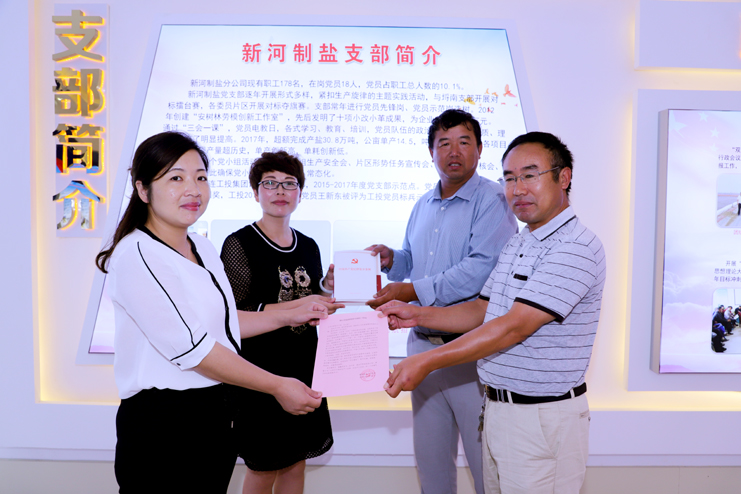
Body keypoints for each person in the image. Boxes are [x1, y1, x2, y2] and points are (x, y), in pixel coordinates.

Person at [96, 132, 328, 494]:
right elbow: (196, 350)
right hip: (165, 423)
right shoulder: (138, 254)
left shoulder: (201, 247)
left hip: (216, 412)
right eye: (176, 178)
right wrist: (278, 385)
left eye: (201, 177)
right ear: (143, 190)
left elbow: (225, 324)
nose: (193, 189)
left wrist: (289, 315)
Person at [381, 132, 606, 494]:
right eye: (510, 178)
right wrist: (418, 316)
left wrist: (426, 361)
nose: (518, 189)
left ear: (563, 177)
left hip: (541, 418)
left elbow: (512, 328)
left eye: (530, 175)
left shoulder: (574, 248)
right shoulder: (520, 241)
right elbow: (482, 309)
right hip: (499, 410)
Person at [366, 109, 518, 494]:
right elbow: (413, 261)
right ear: (431, 152)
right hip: (422, 349)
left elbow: (481, 270)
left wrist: (412, 292)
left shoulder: (494, 200)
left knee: (487, 469)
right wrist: (392, 260)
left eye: (464, 142)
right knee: (432, 467)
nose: (454, 151)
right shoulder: (423, 204)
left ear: (479, 149)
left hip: (471, 352)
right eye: (444, 143)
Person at [220, 151, 342, 494]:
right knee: (262, 467)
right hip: (260, 373)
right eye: (270, 183)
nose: (280, 191)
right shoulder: (239, 244)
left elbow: (309, 300)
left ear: (300, 193)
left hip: (305, 368)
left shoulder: (309, 245)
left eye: (289, 184)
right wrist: (298, 307)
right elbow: (234, 312)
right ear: (255, 192)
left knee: (296, 461)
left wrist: (327, 290)